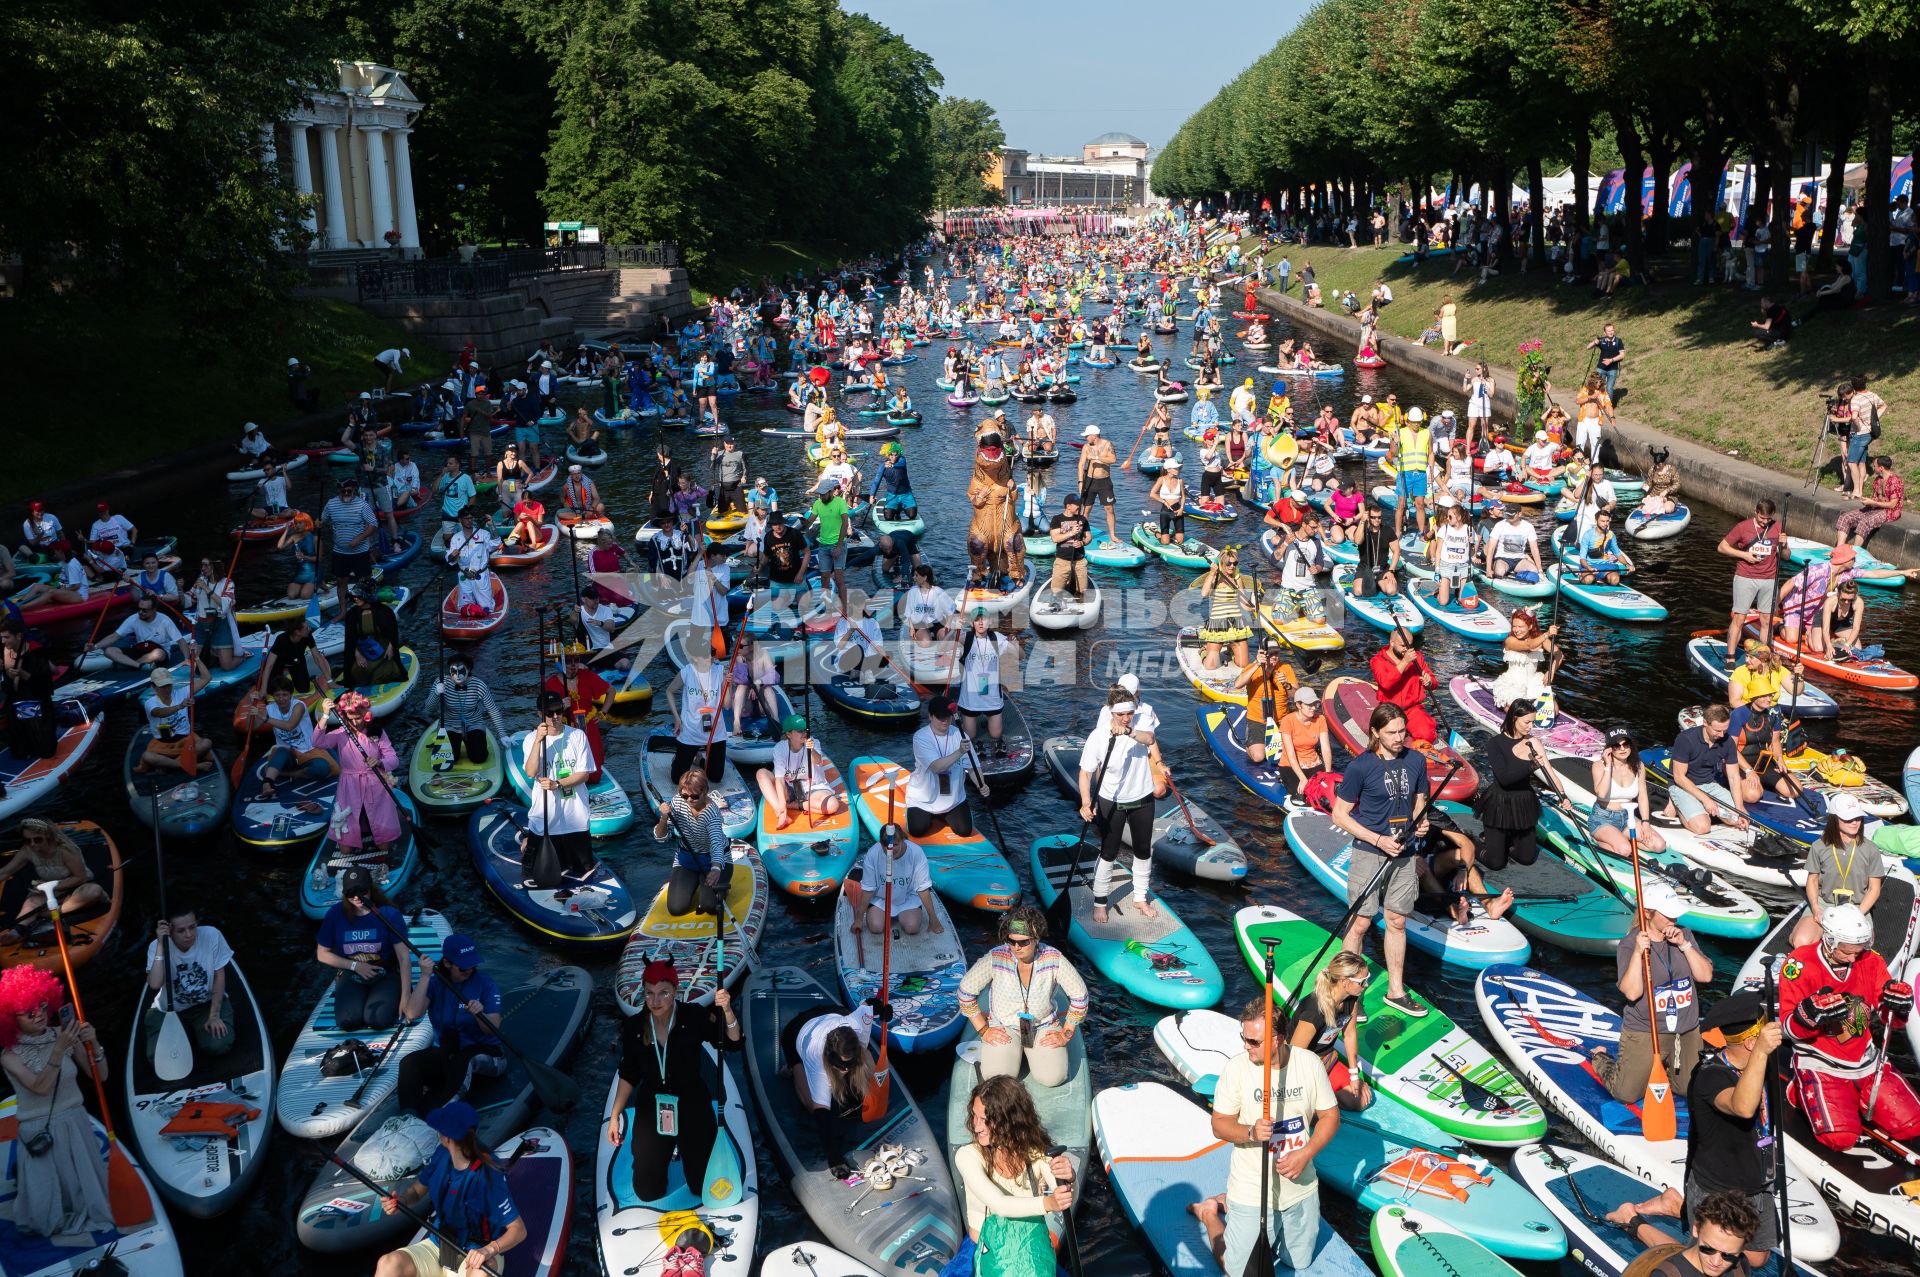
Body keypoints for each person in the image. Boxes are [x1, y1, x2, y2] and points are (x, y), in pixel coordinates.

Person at [1605, 993, 1787, 1272]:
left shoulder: (1762, 1064)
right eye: (1764, 1039)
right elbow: (1743, 1107)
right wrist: (1762, 1053)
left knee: (1756, 1258)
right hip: (1717, 1186)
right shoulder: (1710, 1076)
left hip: (1755, 1182)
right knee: (1708, 1256)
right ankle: (1633, 1220)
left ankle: (1675, 1203)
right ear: (1752, 1042)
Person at [1199, 996, 1338, 1274]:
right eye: (1245, 1038)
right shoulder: (1237, 1069)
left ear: (1278, 1039)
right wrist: (1250, 1131)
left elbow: (1330, 1116)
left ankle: (1225, 1202)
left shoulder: (1309, 1064)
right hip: (1252, 1190)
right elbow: (1219, 1124)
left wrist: (1307, 1153)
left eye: (1253, 1042)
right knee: (1236, 1271)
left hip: (1300, 1188)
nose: (1245, 1046)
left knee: (1298, 1262)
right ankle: (1210, 1212)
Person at [606, 957, 740, 1233]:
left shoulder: (695, 1016)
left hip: (693, 1104)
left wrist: (727, 1010)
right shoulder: (633, 1027)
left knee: (700, 1186)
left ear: (675, 991)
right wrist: (615, 1114)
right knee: (647, 1191)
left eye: (663, 992)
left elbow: (733, 1042)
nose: (656, 1001)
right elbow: (629, 1073)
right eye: (649, 993)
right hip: (653, 1107)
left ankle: (684, 1149)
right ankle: (663, 1151)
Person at [1779, 902, 1920, 1151]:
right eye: (1847, 952)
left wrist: (1899, 1005)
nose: (1854, 958)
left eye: (1859, 951)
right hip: (1821, 1062)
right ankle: (1799, 1089)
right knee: (1840, 1140)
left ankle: (1856, 1099)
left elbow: (1891, 1022)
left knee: (1913, 1126)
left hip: (1866, 1061)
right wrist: (1808, 1014)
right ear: (1829, 941)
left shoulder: (1871, 961)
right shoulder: (1798, 964)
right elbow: (1788, 1028)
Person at [1330, 703, 1430, 1018]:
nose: (1399, 738)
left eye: (1402, 731)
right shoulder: (1361, 767)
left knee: (1397, 920)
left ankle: (1396, 991)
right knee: (1360, 922)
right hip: (1370, 852)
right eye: (1391, 732)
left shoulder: (1416, 760)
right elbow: (1340, 814)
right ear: (1375, 732)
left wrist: (1421, 821)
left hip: (1405, 851)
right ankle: (1346, 992)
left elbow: (1419, 800)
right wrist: (1377, 839)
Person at [0, 966, 112, 1240]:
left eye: (40, 1005)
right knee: (48, 1208)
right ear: (11, 1019)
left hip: (75, 1122)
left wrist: (93, 1042)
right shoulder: (9, 1055)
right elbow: (40, 1087)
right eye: (28, 1012)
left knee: (81, 1197)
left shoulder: (61, 1035)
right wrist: (61, 1048)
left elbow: (101, 1076)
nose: (38, 1013)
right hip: (41, 1130)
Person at [1586, 880, 1713, 1104]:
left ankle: (1664, 1066)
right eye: (1668, 915)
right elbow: (1632, 993)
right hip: (1647, 1029)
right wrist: (1637, 953)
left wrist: (1684, 945)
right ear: (1648, 913)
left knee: (1688, 1088)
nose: (1674, 920)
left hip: (1686, 1029)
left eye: (1675, 915)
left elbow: (1705, 976)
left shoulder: (1684, 934)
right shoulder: (1628, 944)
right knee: (1625, 1094)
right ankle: (1600, 1057)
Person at [374, 1100, 526, 1277]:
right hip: (441, 1244)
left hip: (478, 1252)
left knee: (481, 1274)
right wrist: (401, 1201)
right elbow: (415, 1193)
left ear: (446, 1138)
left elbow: (518, 1230)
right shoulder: (441, 1154)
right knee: (387, 1264)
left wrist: (489, 1250)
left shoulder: (488, 1176)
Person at [957, 905, 1089, 1085]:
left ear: (1036, 939)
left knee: (1053, 1078)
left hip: (1042, 1026)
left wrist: (1066, 1033)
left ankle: (1027, 1055)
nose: (1016, 947)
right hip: (1005, 1027)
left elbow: (1080, 997)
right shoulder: (996, 957)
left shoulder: (1053, 958)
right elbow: (965, 992)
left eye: (1023, 942)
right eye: (1011, 941)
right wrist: (983, 1029)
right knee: (997, 1077)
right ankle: (1016, 1053)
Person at [952, 1075, 1075, 1265]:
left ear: (1008, 1120)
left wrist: (1066, 1176)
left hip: (1029, 1247)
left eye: (984, 1119)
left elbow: (1062, 1192)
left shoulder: (1037, 1151)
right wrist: (1049, 1203)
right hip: (984, 1250)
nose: (976, 1127)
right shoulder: (967, 1155)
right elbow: (1000, 1204)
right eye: (974, 1116)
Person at [395, 934, 504, 1116]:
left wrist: (479, 1014)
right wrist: (425, 976)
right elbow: (412, 1014)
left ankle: (437, 1114)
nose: (469, 971)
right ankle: (408, 1117)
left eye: (473, 965)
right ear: (447, 963)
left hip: (486, 1056)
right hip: (449, 1054)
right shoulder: (435, 982)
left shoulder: (485, 983)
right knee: (409, 1062)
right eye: (463, 968)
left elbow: (493, 1028)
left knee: (465, 1059)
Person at [1079, 688, 1159, 925]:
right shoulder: (1098, 735)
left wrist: (1130, 731)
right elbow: (1085, 772)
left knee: (1143, 849)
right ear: (1112, 712)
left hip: (1142, 797)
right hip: (1111, 799)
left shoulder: (1139, 726)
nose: (1126, 717)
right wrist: (1085, 801)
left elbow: (1150, 740)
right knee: (1109, 852)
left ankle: (1140, 898)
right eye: (1122, 714)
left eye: (1130, 713)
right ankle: (1100, 902)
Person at [782, 997, 879, 1177]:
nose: (845, 1070)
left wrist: (882, 1009)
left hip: (836, 1014)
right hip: (798, 1030)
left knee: (869, 1073)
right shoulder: (816, 1059)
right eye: (840, 1066)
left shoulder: (858, 1026)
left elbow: (868, 1004)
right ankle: (791, 1067)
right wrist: (834, 1157)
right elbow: (821, 1115)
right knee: (810, 1103)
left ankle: (851, 1066)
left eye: (848, 1066)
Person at [315, 866, 413, 1031]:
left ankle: (391, 993)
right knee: (348, 1021)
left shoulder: (388, 914)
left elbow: (404, 958)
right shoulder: (335, 914)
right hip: (353, 973)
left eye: (362, 891)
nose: (357, 897)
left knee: (377, 1020)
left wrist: (405, 997)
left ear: (370, 889)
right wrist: (355, 966)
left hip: (385, 973)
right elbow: (322, 954)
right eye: (351, 893)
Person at [312, 692, 405, 865]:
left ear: (365, 714)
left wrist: (379, 761)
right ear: (344, 716)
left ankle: (373, 827)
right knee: (345, 850)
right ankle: (358, 830)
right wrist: (325, 715)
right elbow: (317, 742)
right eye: (351, 718)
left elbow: (394, 759)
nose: (356, 722)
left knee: (384, 846)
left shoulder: (377, 732)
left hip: (376, 785)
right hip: (349, 786)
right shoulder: (339, 734)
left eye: (359, 717)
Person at [520, 691, 597, 885]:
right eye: (550, 713)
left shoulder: (577, 736)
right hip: (545, 818)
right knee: (530, 872)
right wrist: (539, 740)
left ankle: (533, 842)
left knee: (584, 868)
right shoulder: (531, 739)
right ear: (540, 714)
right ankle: (528, 842)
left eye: (559, 711)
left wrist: (557, 784)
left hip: (575, 818)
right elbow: (530, 772)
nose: (555, 717)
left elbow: (584, 774)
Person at [1790, 793, 1886, 947]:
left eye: (1858, 817)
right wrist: (1815, 909)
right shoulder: (1818, 846)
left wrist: (1857, 914)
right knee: (1801, 941)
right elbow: (1812, 880)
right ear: (1834, 819)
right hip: (1825, 904)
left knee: (1860, 948)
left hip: (1856, 908)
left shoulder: (1871, 849)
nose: (1855, 822)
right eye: (1848, 818)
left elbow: (1874, 889)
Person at [143, 903, 235, 1061]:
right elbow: (155, 984)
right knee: (159, 1059)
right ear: (169, 930)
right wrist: (160, 945)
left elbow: (219, 977)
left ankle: (197, 1034)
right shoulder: (156, 946)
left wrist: (214, 1015)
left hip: (205, 1004)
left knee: (218, 1045)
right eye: (181, 930)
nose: (189, 934)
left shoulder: (212, 935)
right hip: (169, 1010)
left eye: (192, 927)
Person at [0, 819, 105, 947]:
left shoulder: (66, 850)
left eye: (37, 839)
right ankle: (16, 932)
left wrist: (50, 888)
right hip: (49, 890)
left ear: (48, 836)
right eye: (28, 840)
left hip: (77, 887)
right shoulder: (28, 850)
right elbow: (5, 872)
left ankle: (45, 914)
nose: (32, 844)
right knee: (32, 902)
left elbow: (80, 877)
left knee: (94, 891)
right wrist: (46, 889)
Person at [1474, 699, 1549, 873]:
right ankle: (1472, 842)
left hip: (1523, 801)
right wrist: (1531, 766)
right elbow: (1504, 779)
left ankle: (1502, 840)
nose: (1531, 726)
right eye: (1527, 722)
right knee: (1496, 862)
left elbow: (1549, 773)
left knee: (1526, 858)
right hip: (1499, 802)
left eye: (1533, 722)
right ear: (1514, 718)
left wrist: (1563, 796)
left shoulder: (1531, 742)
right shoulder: (1495, 743)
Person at [653, 766, 734, 918]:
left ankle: (720, 887)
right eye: (685, 796)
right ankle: (697, 881)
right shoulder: (677, 803)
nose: (689, 800)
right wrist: (663, 818)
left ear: (705, 792)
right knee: (676, 908)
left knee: (709, 906)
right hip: (687, 858)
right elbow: (660, 838)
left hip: (713, 859)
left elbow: (716, 843)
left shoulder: (712, 813)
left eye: (694, 796)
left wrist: (716, 868)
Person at [1667, 705, 1753, 836]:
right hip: (1683, 786)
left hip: (1708, 784)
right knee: (1702, 827)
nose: (1722, 734)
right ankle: (1679, 806)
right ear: (1705, 723)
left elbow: (1734, 777)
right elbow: (1679, 777)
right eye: (1717, 730)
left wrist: (1740, 807)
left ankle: (1696, 807)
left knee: (1740, 819)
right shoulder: (1685, 739)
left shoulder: (1727, 741)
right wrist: (1706, 800)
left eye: (1725, 730)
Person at [1715, 499, 1781, 664]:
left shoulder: (1778, 527)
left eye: (1768, 519)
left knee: (1766, 620)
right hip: (1746, 577)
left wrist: (1785, 545)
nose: (1765, 522)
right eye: (1762, 518)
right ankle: (1730, 656)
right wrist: (1744, 555)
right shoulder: (1742, 527)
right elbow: (1722, 547)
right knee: (1739, 618)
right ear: (1756, 513)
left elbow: (1785, 555)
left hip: (1769, 578)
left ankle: (1763, 658)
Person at [906, 697, 982, 839]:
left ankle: (944, 815)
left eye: (947, 717)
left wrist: (981, 785)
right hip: (923, 800)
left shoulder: (961, 736)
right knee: (917, 830)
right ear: (930, 716)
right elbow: (936, 767)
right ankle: (930, 814)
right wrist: (960, 752)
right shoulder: (920, 737)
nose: (945, 721)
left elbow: (973, 767)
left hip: (953, 799)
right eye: (940, 717)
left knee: (965, 831)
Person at [850, 821, 941, 937]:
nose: (890, 852)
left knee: (912, 928)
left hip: (907, 898)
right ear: (880, 844)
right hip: (881, 899)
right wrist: (858, 919)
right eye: (886, 847)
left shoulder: (916, 853)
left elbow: (922, 889)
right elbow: (868, 889)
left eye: (895, 845)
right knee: (875, 927)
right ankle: (872, 909)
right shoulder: (873, 854)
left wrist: (933, 919)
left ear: (903, 840)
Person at [256, 676, 338, 798]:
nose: (281, 698)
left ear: (291, 695)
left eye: (284, 694)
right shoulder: (269, 709)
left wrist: (266, 719)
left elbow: (290, 726)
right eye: (277, 695)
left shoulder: (298, 706)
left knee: (323, 769)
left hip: (308, 750)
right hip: (288, 752)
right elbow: (251, 727)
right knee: (281, 752)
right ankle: (267, 785)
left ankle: (288, 773)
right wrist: (256, 707)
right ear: (273, 696)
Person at [758, 715, 844, 829]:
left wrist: (811, 750)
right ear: (789, 734)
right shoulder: (780, 748)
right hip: (790, 788)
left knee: (833, 805)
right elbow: (779, 779)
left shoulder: (813, 742)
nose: (804, 733)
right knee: (761, 773)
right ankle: (781, 812)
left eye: (805, 730)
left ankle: (792, 805)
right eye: (800, 731)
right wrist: (783, 805)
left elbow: (818, 761)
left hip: (813, 787)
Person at [667, 637, 729, 785]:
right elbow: (669, 691)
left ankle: (699, 759)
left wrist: (729, 684)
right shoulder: (687, 672)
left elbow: (726, 705)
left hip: (715, 731)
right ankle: (681, 758)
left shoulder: (720, 671)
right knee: (677, 779)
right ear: (695, 657)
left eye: (712, 653)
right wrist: (677, 718)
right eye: (705, 655)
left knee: (715, 777)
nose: (711, 657)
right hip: (691, 729)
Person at [137, 660, 213, 775]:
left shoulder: (182, 693)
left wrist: (197, 658)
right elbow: (159, 713)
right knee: (147, 756)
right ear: (153, 687)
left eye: (168, 685)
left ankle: (168, 764)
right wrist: (179, 706)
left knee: (206, 743)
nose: (167, 689)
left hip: (185, 740)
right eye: (162, 686)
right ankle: (194, 765)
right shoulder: (150, 703)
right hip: (163, 742)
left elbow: (206, 678)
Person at [429, 655, 508, 765]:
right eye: (453, 671)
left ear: (469, 669)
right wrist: (436, 693)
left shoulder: (479, 685)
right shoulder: (441, 682)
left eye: (461, 671)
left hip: (473, 723)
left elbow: (493, 710)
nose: (457, 675)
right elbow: (429, 709)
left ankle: (476, 744)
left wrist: (502, 734)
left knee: (479, 758)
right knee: (451, 759)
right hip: (449, 724)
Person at [955, 611, 1013, 756]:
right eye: (977, 620)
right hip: (971, 697)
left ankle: (988, 721)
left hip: (992, 696)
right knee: (971, 736)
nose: (981, 623)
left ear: (990, 622)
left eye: (984, 619)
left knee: (995, 735)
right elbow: (943, 647)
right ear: (972, 623)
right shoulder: (966, 638)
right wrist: (954, 631)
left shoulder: (997, 638)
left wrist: (1014, 645)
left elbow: (1022, 655)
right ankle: (961, 722)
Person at [1369, 627, 1437, 746]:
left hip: (1412, 709)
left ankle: (1419, 753)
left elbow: (1433, 682)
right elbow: (1386, 683)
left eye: (1410, 645)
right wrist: (1404, 662)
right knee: (1388, 738)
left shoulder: (1417, 657)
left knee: (1426, 734)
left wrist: (1429, 682)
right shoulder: (1377, 661)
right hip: (1389, 709)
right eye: (1403, 645)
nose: (1407, 649)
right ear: (1392, 643)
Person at [320, 476, 380, 587]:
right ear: (338, 490)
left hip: (360, 552)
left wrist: (359, 538)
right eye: (343, 491)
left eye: (349, 491)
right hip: (339, 552)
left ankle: (366, 602)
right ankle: (342, 605)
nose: (346, 493)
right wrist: (318, 523)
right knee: (341, 584)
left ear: (354, 489)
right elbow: (322, 520)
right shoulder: (331, 504)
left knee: (365, 583)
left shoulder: (362, 505)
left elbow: (374, 524)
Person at [1836, 453, 1905, 548]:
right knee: (1845, 517)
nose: (1873, 467)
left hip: (1889, 512)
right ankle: (1838, 549)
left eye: (1875, 466)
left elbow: (1892, 505)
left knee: (1864, 522)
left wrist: (1873, 502)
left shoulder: (1895, 481)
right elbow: (1875, 499)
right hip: (1875, 508)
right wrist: (1868, 501)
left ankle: (1854, 553)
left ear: (1881, 468)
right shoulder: (1878, 480)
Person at [1276, 685, 1332, 793]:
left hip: (1313, 763)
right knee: (1305, 793)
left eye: (1315, 704)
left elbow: (1326, 749)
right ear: (1298, 705)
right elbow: (1291, 755)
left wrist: (1328, 773)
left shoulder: (1320, 719)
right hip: (1290, 766)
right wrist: (1302, 779)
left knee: (1325, 791)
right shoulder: (1287, 721)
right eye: (1309, 705)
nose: (1314, 708)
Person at [1046, 491, 1090, 606]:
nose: (1079, 507)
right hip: (1062, 561)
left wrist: (1082, 542)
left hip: (1079, 561)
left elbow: (1089, 537)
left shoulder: (1082, 520)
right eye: (1076, 504)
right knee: (1055, 592)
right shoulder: (1057, 519)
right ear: (1068, 506)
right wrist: (1071, 533)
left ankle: (1076, 591)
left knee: (1083, 592)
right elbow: (1055, 538)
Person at [1076, 425, 1118, 542]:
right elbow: (1080, 465)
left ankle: (1113, 535)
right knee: (1086, 509)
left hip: (1105, 481)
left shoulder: (1107, 444)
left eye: (1087, 436)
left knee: (1109, 508)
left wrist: (1096, 457)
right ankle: (1082, 533)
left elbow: (1113, 460)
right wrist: (1080, 482)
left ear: (1094, 436)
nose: (1085, 438)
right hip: (1090, 480)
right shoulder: (1086, 447)